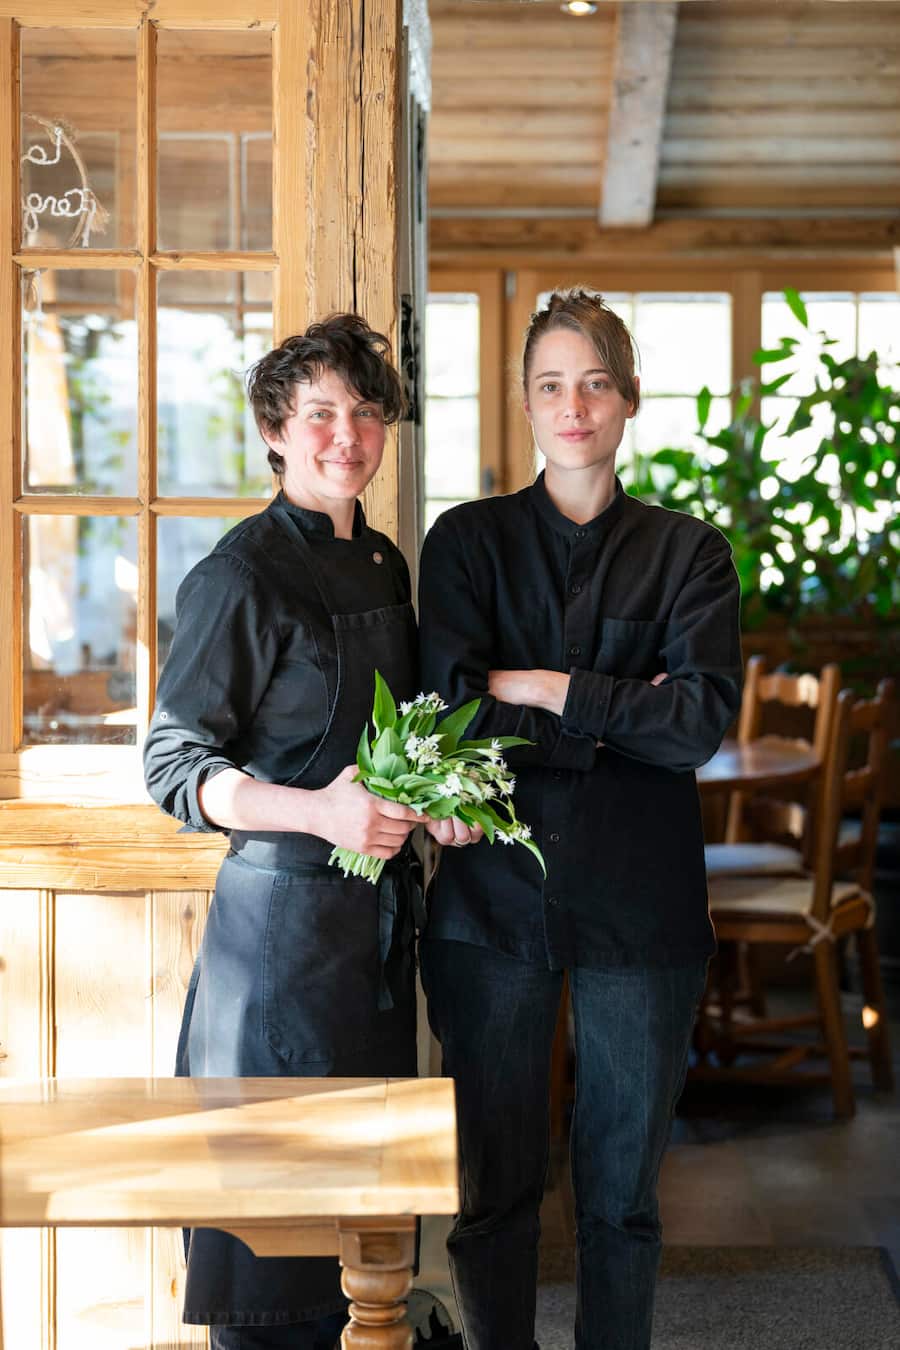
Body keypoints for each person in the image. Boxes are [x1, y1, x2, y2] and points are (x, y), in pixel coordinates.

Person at [417, 289, 743, 1350]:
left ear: (628, 400)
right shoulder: (464, 543)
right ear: (524, 404)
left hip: (642, 916)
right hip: (489, 911)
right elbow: (456, 713)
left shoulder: (691, 554)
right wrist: (614, 710)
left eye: (595, 383)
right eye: (552, 385)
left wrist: (546, 687)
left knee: (622, 1203)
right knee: (495, 1196)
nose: (574, 405)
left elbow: (696, 724)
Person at [144, 314, 474, 1350]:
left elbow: (388, 742)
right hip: (276, 951)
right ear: (276, 431)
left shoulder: (381, 561)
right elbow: (172, 765)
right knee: (275, 1262)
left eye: (368, 413)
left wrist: (434, 798)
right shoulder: (239, 576)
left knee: (362, 1255)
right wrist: (319, 811)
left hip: (373, 937)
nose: (349, 436)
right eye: (322, 413)